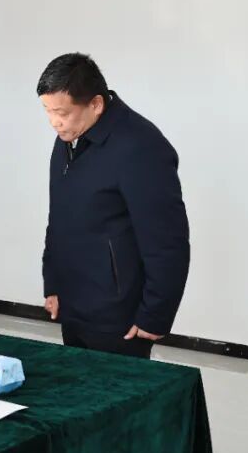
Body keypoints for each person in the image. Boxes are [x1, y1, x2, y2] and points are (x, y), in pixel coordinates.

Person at [38, 52, 190, 359]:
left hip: (118, 316)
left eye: (62, 113)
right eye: (47, 111)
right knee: (76, 384)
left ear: (95, 104)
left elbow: (167, 240)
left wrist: (155, 315)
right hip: (72, 303)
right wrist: (52, 283)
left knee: (117, 388)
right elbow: (59, 218)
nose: (54, 122)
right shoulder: (68, 139)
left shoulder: (140, 146)